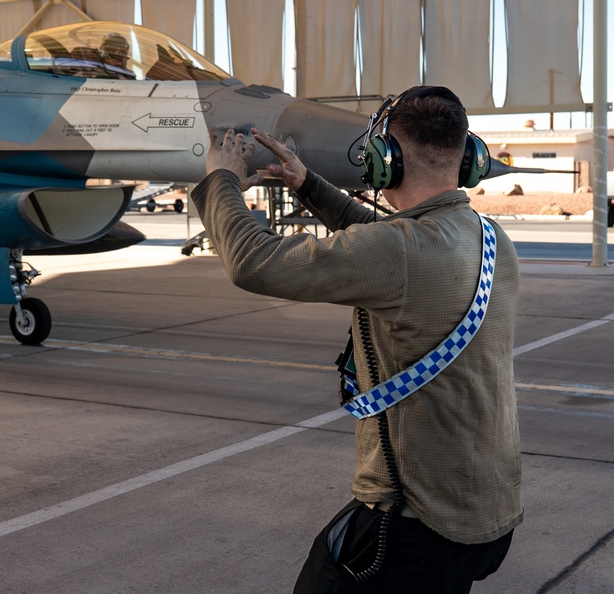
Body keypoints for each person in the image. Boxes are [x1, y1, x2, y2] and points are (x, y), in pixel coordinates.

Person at [190, 86, 522, 594]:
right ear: (468, 158)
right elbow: (386, 242)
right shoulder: (489, 236)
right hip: (487, 509)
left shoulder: (398, 251)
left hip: (415, 520)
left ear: (386, 161)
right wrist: (308, 184)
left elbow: (252, 262)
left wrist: (222, 179)